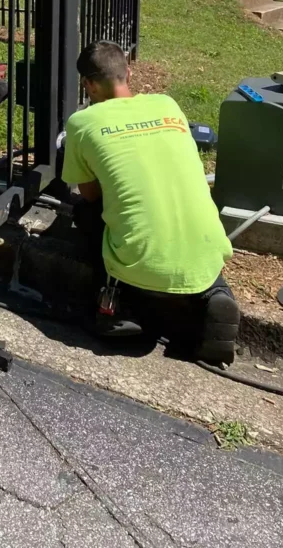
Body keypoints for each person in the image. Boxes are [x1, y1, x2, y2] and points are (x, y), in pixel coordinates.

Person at [61, 41, 240, 365]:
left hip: (140, 262)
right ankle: (216, 293)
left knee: (85, 213)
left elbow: (89, 195)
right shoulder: (168, 105)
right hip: (210, 245)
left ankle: (117, 304)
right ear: (128, 72)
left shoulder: (82, 123)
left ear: (88, 84)